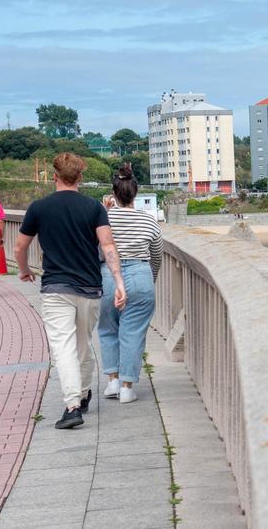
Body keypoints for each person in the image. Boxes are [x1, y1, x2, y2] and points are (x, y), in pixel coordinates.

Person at [15, 153, 126, 430]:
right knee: (83, 343)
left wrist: (24, 270)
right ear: (80, 177)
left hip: (55, 287)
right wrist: (119, 281)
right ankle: (84, 392)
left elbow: (20, 246)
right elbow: (108, 247)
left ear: (54, 176)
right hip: (90, 287)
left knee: (63, 346)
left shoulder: (39, 208)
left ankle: (73, 405)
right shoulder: (94, 208)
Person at [98, 163, 162, 404]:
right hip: (140, 274)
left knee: (107, 329)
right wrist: (150, 278)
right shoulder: (148, 221)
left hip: (107, 275)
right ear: (135, 194)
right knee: (133, 332)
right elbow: (156, 254)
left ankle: (112, 381)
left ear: (114, 194)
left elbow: (96, 248)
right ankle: (127, 387)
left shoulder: (102, 218)